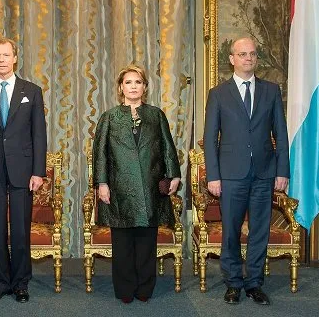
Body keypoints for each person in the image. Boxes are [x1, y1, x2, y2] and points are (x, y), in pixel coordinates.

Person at [203, 37, 289, 306]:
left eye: (252, 54)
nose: (248, 58)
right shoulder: (218, 94)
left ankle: (254, 283)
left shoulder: (271, 91)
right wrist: (213, 176)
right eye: (242, 54)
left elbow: (281, 136)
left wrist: (282, 170)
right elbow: (210, 138)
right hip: (230, 175)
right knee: (230, 231)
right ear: (232, 59)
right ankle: (233, 283)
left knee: (259, 231)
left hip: (264, 173)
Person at [92, 64, 181, 304]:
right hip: (118, 188)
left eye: (138, 82)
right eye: (128, 82)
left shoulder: (155, 115)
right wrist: (101, 183)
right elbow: (99, 154)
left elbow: (167, 148)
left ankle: (144, 288)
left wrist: (174, 176)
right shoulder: (109, 117)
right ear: (121, 88)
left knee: (146, 241)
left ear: (145, 87)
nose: (133, 86)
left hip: (150, 188)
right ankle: (124, 288)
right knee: (122, 243)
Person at [0, 37, 47, 303]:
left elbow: (39, 135)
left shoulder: (32, 91)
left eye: (6, 55)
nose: (1, 60)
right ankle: (1, 282)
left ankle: (21, 283)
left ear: (15, 58)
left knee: (21, 229)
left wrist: (38, 172)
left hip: (23, 172)